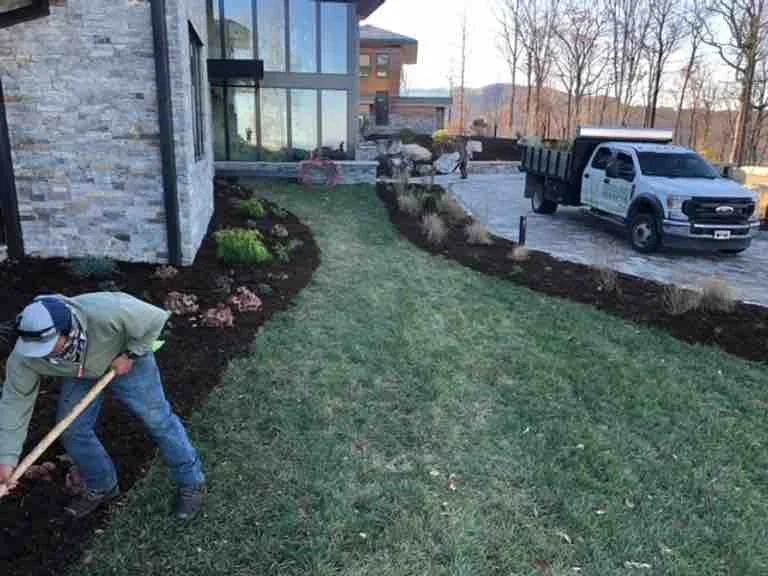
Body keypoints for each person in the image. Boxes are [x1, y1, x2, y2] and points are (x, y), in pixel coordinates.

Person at [0, 293, 205, 520]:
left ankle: (191, 482)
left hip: (124, 359)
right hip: (78, 371)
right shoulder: (25, 356)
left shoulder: (108, 310)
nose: (42, 355)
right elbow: (14, 403)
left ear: (67, 330)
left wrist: (132, 353)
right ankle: (103, 486)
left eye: (48, 347)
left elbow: (156, 317)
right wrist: (6, 459)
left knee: (158, 420)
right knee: (73, 430)